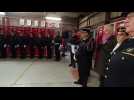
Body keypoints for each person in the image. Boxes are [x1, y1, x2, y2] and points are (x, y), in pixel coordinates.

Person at [103, 12, 134, 87]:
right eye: (126, 18)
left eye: (130, 17)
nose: (126, 21)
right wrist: (119, 43)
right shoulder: (126, 42)